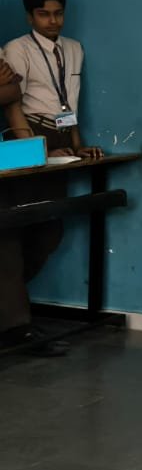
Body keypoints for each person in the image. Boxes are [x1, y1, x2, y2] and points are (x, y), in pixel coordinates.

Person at [0, 57, 67, 357]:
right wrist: (6, 91)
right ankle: (16, 326)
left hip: (6, 163)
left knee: (44, 229)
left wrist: (37, 152)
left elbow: (13, 99)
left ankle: (12, 318)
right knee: (6, 243)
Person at [3, 0, 101, 161]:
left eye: (59, 13)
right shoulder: (17, 49)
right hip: (31, 132)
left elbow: (69, 100)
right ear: (30, 17)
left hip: (64, 133)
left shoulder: (74, 48)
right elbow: (12, 107)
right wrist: (39, 152)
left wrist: (77, 146)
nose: (53, 21)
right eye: (43, 14)